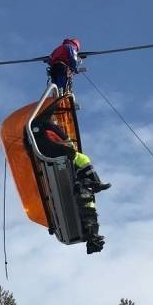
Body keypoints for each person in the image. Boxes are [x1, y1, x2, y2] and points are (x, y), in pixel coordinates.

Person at [33, 101, 110, 254]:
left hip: (68, 165)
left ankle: (92, 233)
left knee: (85, 191)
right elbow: (53, 138)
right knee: (81, 164)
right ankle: (91, 234)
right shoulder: (43, 127)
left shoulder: (49, 130)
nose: (55, 122)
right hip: (59, 159)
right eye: (54, 120)